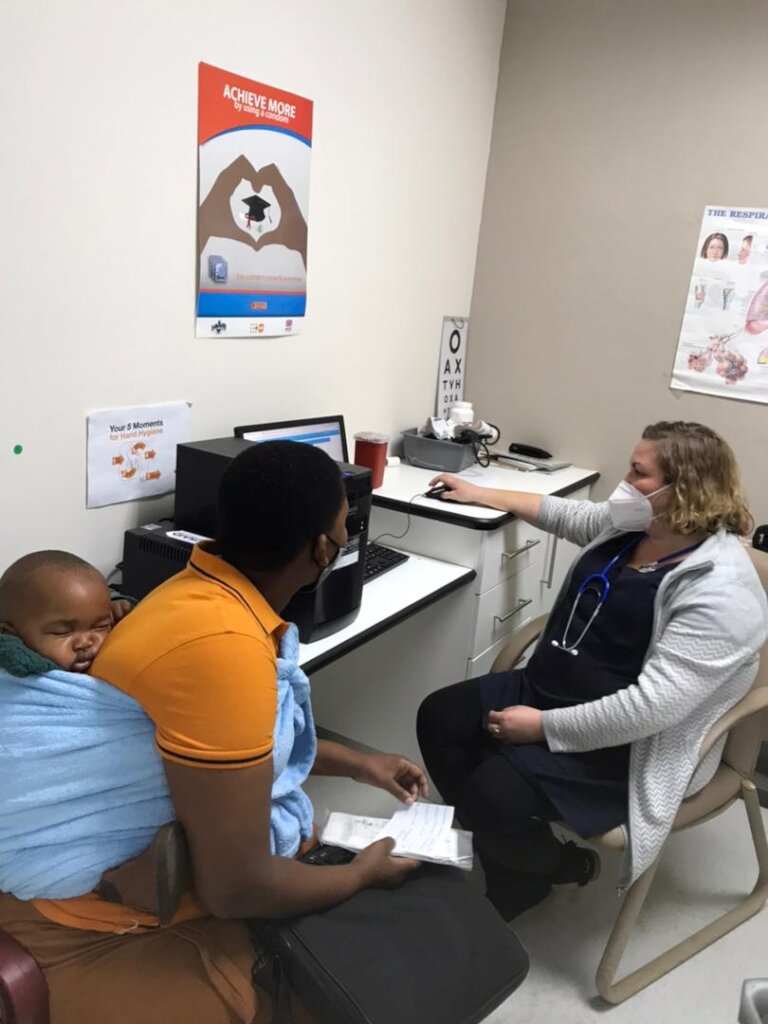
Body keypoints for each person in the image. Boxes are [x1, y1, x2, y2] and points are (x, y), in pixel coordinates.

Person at [0, 441, 427, 1024]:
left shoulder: (189, 589)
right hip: (91, 905)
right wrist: (360, 875)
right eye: (342, 528)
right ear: (323, 549)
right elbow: (237, 888)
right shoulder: (226, 650)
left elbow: (235, 744)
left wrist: (359, 763)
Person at [417, 421, 768, 921]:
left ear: (684, 489)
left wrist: (541, 728)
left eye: (639, 472)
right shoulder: (638, 527)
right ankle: (517, 861)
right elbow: (571, 515)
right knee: (439, 717)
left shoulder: (723, 592)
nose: (625, 481)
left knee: (492, 792)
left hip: (630, 744)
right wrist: (481, 493)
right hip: (546, 689)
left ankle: (557, 865)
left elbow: (650, 710)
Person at [0, 550, 185, 920]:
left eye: (100, 627)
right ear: (11, 635)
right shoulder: (18, 682)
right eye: (62, 631)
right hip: (41, 837)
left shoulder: (108, 655)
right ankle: (117, 883)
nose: (86, 642)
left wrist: (127, 616)